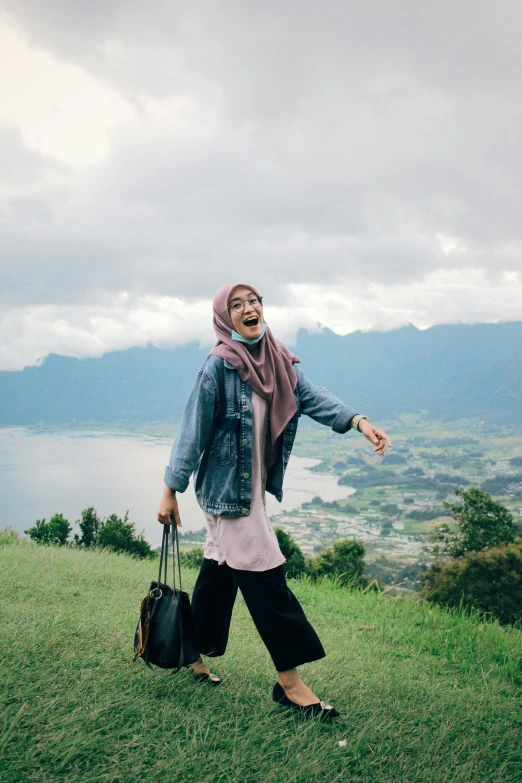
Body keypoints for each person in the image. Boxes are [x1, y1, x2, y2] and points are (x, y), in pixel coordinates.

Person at [157, 283, 391, 719]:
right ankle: (290, 683)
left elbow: (311, 396)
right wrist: (171, 489)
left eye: (254, 301)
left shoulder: (279, 358)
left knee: (219, 571)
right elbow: (191, 432)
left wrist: (359, 421)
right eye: (237, 304)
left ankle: (190, 653)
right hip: (228, 495)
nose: (249, 308)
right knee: (266, 575)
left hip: (252, 492)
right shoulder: (218, 368)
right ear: (224, 317)